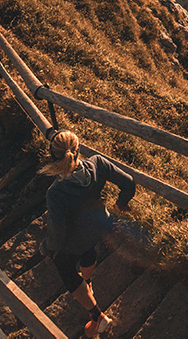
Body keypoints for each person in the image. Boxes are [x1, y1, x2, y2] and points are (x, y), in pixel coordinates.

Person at [42, 129, 135, 339]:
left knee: (64, 266)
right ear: (79, 150)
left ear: (52, 157)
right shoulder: (98, 164)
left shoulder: (55, 192)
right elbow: (128, 182)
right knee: (88, 248)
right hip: (100, 226)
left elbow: (57, 236)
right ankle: (88, 281)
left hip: (75, 240)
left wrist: (46, 248)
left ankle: (97, 317)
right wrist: (121, 203)